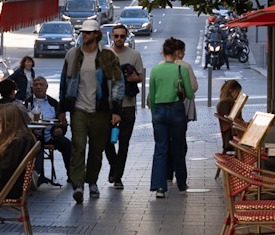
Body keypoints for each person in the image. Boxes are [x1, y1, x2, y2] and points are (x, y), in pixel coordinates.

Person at [59, 19, 124, 203]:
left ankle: (92, 181)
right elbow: (65, 80)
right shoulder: (73, 54)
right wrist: (62, 109)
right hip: (78, 108)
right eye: (83, 32)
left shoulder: (108, 56)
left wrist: (116, 110)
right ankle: (78, 184)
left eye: (87, 32)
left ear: (96, 34)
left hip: (100, 110)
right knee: (78, 146)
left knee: (96, 149)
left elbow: (118, 83)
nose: (84, 35)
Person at [149, 37, 194, 198]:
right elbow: (189, 93)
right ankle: (181, 184)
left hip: (159, 111)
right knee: (178, 148)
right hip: (176, 110)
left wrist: (155, 113)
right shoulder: (180, 70)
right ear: (176, 52)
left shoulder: (155, 70)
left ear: (163, 51)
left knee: (160, 149)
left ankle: (160, 188)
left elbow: (151, 98)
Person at [104, 24, 144, 190]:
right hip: (108, 104)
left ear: (126, 37)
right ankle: (114, 165)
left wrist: (131, 78)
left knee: (124, 143)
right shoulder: (106, 54)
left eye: (122, 36)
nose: (119, 39)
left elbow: (140, 77)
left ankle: (118, 176)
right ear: (112, 37)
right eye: (116, 36)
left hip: (128, 104)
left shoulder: (134, 54)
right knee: (106, 141)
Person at [167, 38, 197, 183]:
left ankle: (167, 172)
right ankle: (180, 177)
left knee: (166, 141)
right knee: (179, 141)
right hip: (180, 107)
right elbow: (193, 87)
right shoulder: (185, 66)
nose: (184, 54)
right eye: (183, 51)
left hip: (163, 109)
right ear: (178, 52)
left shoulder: (160, 66)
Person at [31, 76, 71, 183]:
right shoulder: (27, 103)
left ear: (46, 87)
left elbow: (63, 122)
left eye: (41, 85)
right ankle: (36, 175)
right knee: (34, 146)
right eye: (36, 85)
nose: (38, 87)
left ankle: (71, 175)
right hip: (33, 136)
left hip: (51, 135)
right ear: (32, 87)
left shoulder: (54, 103)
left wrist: (60, 130)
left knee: (66, 144)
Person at [216, 80, 244, 153]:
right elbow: (235, 120)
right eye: (237, 93)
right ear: (232, 91)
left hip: (229, 137)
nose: (238, 95)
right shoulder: (229, 102)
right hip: (234, 135)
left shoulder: (223, 102)